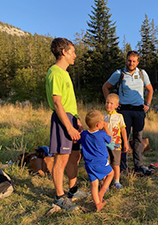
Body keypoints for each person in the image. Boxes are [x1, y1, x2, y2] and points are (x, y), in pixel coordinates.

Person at [46, 37, 86, 211]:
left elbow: (68, 101)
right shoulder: (55, 72)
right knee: (61, 160)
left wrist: (76, 120)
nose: (75, 55)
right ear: (64, 52)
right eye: (73, 51)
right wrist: (68, 127)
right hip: (63, 120)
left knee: (74, 156)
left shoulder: (65, 73)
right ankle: (59, 197)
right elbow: (57, 103)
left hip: (71, 118)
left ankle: (73, 190)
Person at [102, 51, 154, 175]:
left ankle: (138, 165)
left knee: (138, 138)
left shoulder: (142, 73)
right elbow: (105, 87)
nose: (131, 63)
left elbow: (150, 89)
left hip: (139, 110)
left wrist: (147, 104)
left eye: (134, 61)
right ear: (126, 60)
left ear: (138, 62)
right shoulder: (119, 73)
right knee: (122, 138)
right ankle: (122, 167)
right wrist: (111, 103)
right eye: (129, 60)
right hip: (123, 110)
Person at [80, 110, 114, 211]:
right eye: (103, 121)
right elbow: (110, 139)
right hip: (101, 162)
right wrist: (106, 128)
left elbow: (77, 140)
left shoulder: (84, 134)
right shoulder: (102, 133)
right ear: (98, 124)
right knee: (111, 174)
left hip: (89, 164)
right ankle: (102, 192)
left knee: (94, 185)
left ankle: (98, 204)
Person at [104, 93, 129, 189]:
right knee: (106, 162)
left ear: (116, 105)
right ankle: (106, 181)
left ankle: (117, 181)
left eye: (111, 103)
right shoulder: (103, 116)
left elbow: (123, 130)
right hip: (105, 143)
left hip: (116, 143)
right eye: (107, 103)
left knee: (116, 163)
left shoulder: (119, 117)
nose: (108, 105)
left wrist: (125, 142)